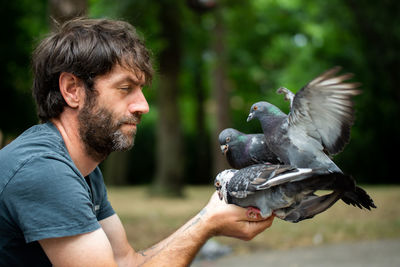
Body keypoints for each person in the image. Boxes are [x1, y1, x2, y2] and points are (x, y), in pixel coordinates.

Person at [0, 18, 274, 266]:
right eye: (125, 88)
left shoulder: (83, 170)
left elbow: (126, 262)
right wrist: (206, 225)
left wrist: (207, 217)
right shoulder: (43, 170)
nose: (143, 106)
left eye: (141, 90)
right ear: (72, 90)